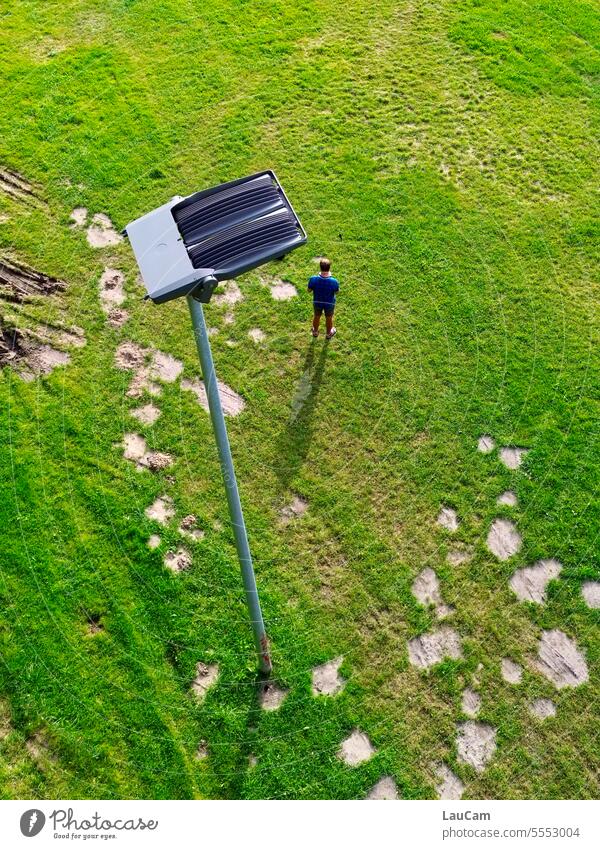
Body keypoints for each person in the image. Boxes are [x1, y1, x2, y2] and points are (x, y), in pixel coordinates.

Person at [308, 257, 339, 339]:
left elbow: (309, 290)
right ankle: (329, 333)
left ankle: (315, 332)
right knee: (329, 318)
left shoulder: (313, 279)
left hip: (317, 302)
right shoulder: (334, 281)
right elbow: (337, 292)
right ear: (329, 268)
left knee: (316, 316)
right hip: (329, 303)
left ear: (320, 267)